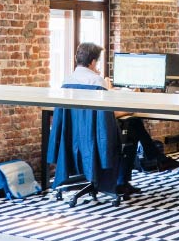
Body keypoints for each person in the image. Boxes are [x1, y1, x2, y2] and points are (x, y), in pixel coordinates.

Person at [57, 42, 142, 194]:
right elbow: (106, 115)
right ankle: (121, 181)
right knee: (133, 126)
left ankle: (153, 160)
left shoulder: (66, 81)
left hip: (74, 139)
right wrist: (130, 109)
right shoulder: (97, 82)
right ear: (93, 62)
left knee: (133, 125)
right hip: (95, 139)